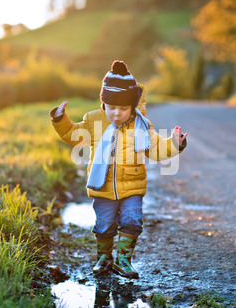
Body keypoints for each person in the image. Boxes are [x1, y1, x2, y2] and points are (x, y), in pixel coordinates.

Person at [50, 60, 187, 279]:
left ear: (132, 106)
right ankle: (104, 259)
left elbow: (157, 148)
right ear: (103, 102)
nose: (117, 113)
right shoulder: (93, 120)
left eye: (123, 108)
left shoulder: (140, 124)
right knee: (104, 225)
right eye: (112, 107)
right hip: (102, 186)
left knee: (132, 220)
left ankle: (124, 260)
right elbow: (73, 135)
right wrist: (60, 119)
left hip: (133, 185)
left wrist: (175, 143)